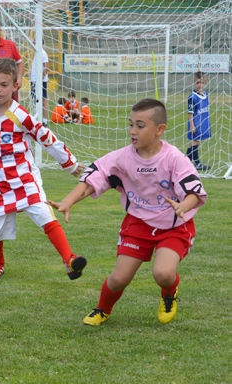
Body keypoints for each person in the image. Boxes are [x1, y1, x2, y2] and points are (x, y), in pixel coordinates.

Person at [48, 98, 207, 326]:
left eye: (140, 126)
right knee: (119, 278)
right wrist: (69, 201)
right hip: (138, 222)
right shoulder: (122, 157)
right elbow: (95, 178)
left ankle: (169, 291)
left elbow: (194, 191)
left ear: (160, 130)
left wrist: (184, 206)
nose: (133, 131)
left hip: (174, 225)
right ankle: (102, 309)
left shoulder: (175, 159)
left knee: (162, 273)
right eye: (131, 124)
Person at [0, 58, 86, 281]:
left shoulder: (21, 115)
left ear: (15, 86)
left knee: (43, 214)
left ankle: (69, 259)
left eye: (4, 84)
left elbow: (46, 138)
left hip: (23, 178)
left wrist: (70, 163)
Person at [186, 71, 211, 170]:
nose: (200, 85)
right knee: (195, 142)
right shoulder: (192, 97)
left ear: (205, 83)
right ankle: (197, 163)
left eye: (202, 82)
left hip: (203, 123)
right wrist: (192, 125)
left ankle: (186, 162)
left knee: (195, 142)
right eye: (197, 83)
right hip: (195, 123)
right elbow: (190, 112)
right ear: (194, 83)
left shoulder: (206, 94)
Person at [30, 45, 49, 125]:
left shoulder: (43, 53)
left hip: (40, 81)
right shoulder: (36, 52)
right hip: (34, 80)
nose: (33, 42)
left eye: (34, 40)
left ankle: (44, 121)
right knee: (35, 100)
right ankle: (37, 118)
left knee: (43, 100)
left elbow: (46, 67)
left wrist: (41, 78)